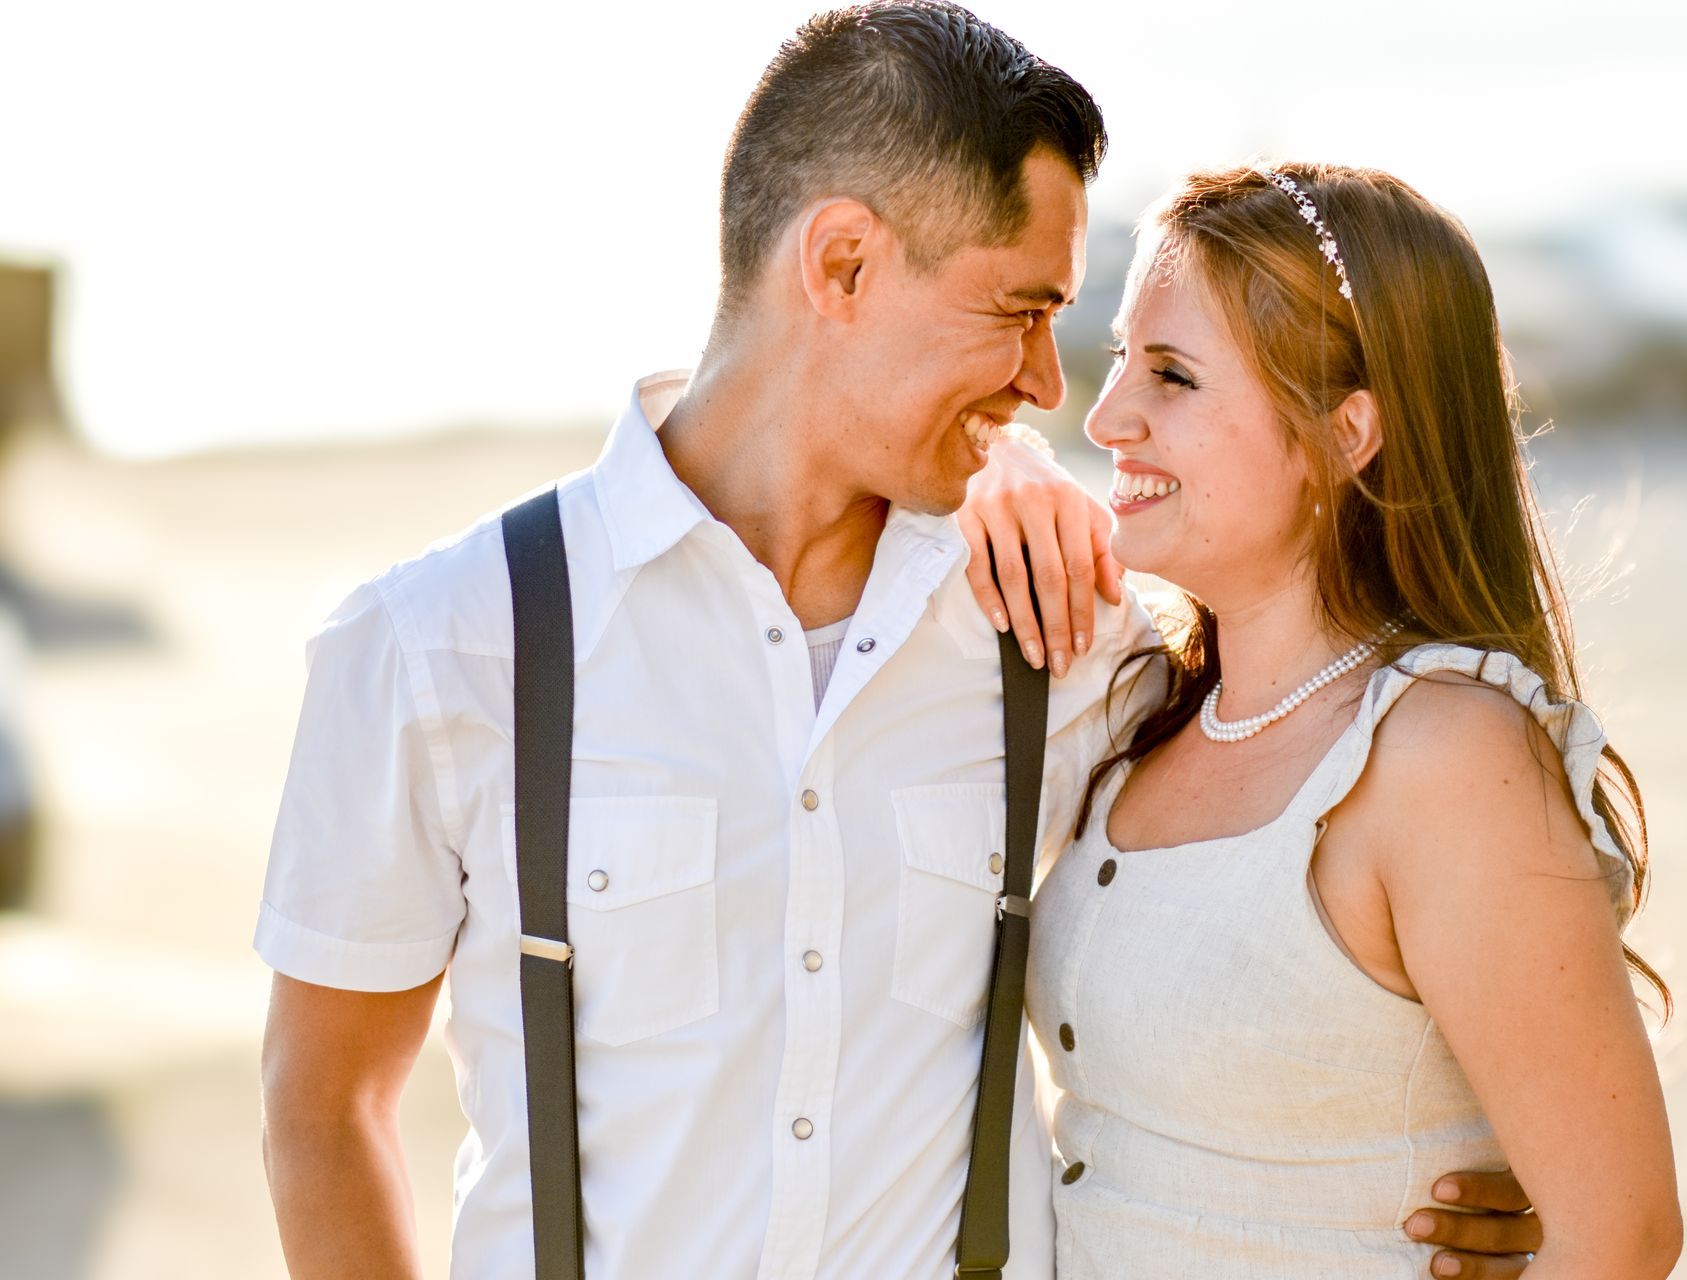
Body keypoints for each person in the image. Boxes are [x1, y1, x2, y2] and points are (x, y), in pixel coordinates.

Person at [254, 5, 1555, 1277]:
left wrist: (1446, 1169)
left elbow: (1306, 870)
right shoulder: (438, 646)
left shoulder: (1059, 627)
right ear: (842, 266)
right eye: (1019, 310)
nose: (1050, 384)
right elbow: (324, 1112)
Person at [998, 163, 1683, 1278]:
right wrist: (1002, 467)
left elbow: (1619, 1237)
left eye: (1171, 374)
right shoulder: (1141, 709)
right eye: (1120, 356)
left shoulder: (1442, 756)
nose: (1108, 413)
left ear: (1344, 429)